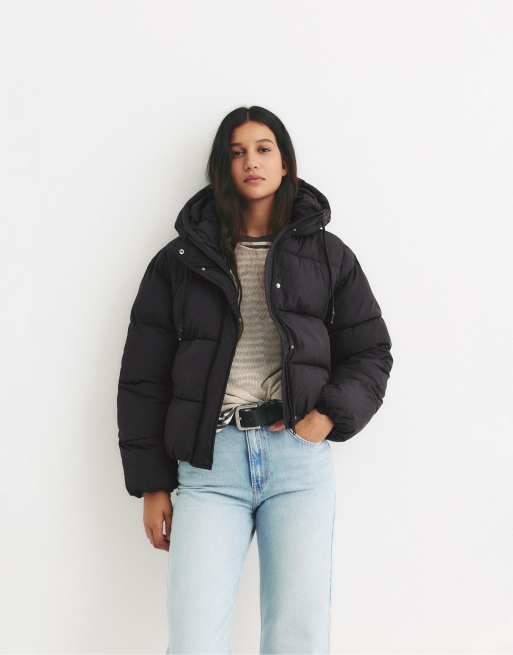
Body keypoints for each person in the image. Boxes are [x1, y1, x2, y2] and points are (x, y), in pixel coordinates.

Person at [116, 105, 393, 654]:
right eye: (237, 152)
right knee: (194, 640)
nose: (251, 161)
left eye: (264, 149)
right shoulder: (179, 262)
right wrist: (152, 484)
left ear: (285, 163)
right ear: (222, 167)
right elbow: (143, 378)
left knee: (297, 637)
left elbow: (371, 350)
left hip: (298, 464)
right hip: (209, 466)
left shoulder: (329, 256)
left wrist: (327, 416)